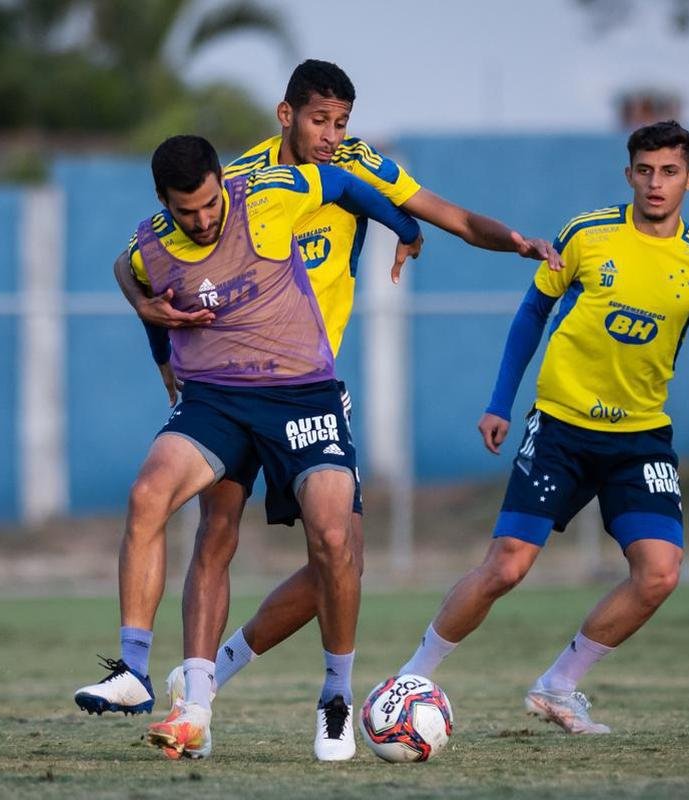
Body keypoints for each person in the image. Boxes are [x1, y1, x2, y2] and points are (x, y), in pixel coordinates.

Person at [137, 58, 562, 756]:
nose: (332, 134)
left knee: (340, 553)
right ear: (286, 115)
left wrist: (510, 240)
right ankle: (199, 696)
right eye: (318, 120)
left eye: (341, 122)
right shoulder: (236, 183)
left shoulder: (359, 165)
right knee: (215, 533)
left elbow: (447, 213)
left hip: (310, 389)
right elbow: (153, 260)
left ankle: (278, 686)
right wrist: (164, 354)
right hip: (232, 385)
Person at [395, 120, 689, 734]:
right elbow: (531, 316)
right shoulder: (587, 234)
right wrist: (499, 403)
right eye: (645, 170)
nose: (656, 183)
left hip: (641, 436)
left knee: (660, 573)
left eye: (669, 172)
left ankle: (558, 686)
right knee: (507, 567)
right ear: (629, 174)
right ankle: (412, 676)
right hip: (562, 427)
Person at [72, 134, 423, 761]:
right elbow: (130, 272)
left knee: (335, 541)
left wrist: (404, 226)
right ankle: (141, 675)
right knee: (153, 497)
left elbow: (341, 185)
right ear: (164, 203)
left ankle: (336, 696)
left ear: (220, 184)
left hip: (302, 395)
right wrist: (159, 344)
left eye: (210, 205)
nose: (204, 221)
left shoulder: (267, 195)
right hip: (216, 400)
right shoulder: (152, 241)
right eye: (188, 212)